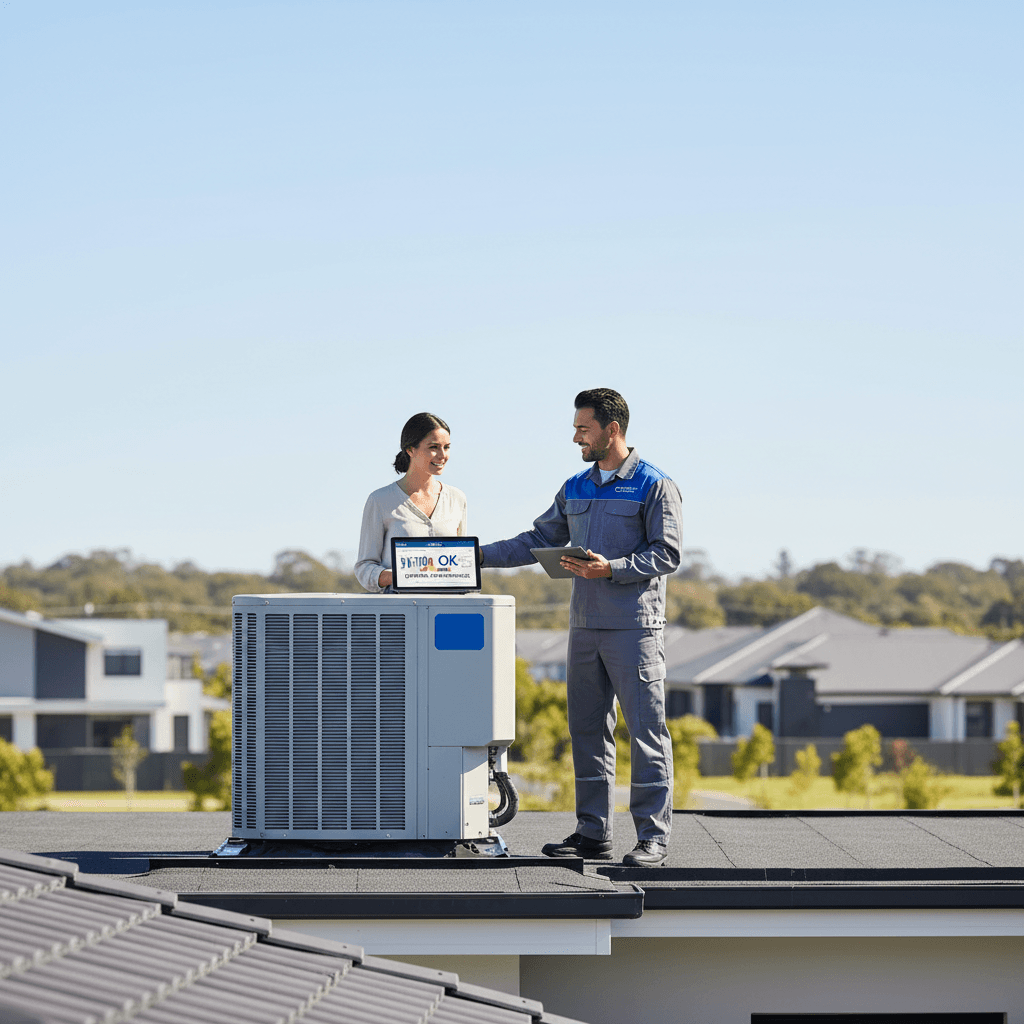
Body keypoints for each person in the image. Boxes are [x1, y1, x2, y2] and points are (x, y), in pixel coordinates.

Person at [479, 389, 682, 866]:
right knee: (588, 731)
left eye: (583, 429)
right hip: (585, 629)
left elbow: (667, 553)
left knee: (647, 733)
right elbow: (537, 540)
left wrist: (609, 568)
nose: (576, 438)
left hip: (635, 630)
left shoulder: (655, 485)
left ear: (612, 429)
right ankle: (593, 832)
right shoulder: (575, 486)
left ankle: (653, 837)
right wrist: (476, 556)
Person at [356, 412, 467, 593]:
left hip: (445, 612)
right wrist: (403, 575)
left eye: (446, 447)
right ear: (410, 450)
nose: (442, 455)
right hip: (400, 613)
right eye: (434, 447)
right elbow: (364, 568)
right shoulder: (380, 500)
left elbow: (461, 562)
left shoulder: (457, 498)